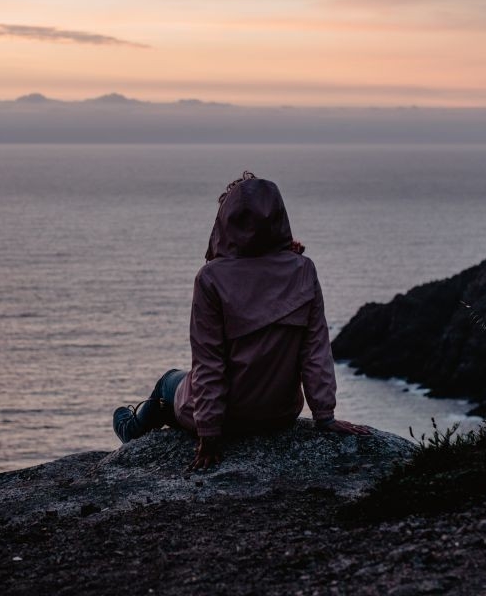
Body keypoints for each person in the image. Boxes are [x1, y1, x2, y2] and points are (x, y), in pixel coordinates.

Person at [113, 171, 369, 470]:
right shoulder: (303, 270)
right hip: (279, 413)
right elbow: (316, 351)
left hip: (226, 419)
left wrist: (208, 435)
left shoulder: (211, 279)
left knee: (168, 381)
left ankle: (133, 430)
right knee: (183, 384)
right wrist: (325, 416)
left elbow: (209, 363)